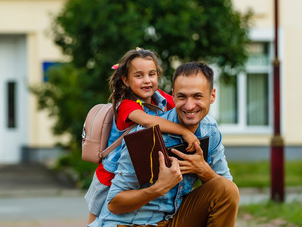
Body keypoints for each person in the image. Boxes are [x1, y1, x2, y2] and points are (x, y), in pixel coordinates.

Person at [89, 62, 239, 227]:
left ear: (212, 96)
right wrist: (158, 188)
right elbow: (114, 204)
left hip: (172, 219)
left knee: (227, 190)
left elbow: (225, 186)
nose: (189, 106)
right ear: (173, 95)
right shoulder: (145, 136)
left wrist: (203, 170)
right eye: (182, 97)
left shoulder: (209, 130)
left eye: (197, 96)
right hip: (131, 223)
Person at [85, 48, 199, 223]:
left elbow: (180, 104)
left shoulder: (159, 97)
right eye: (139, 76)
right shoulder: (126, 105)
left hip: (138, 170)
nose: (147, 80)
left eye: (151, 74)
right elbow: (148, 121)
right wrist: (184, 132)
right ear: (126, 79)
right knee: (97, 220)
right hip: (112, 174)